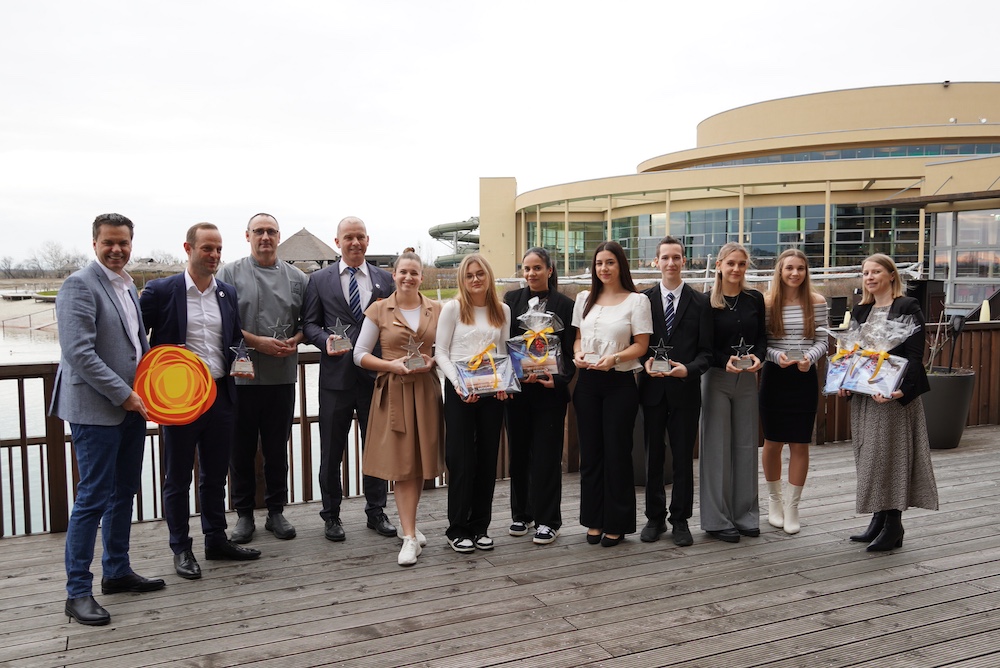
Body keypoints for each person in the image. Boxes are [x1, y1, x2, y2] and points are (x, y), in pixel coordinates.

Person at [50, 213, 163, 626]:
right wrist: (125, 395)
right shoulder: (79, 284)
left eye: (124, 243)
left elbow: (137, 345)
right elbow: (79, 354)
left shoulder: (128, 284)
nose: (117, 249)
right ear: (94, 243)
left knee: (124, 492)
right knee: (92, 498)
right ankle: (77, 591)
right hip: (97, 409)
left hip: (133, 406)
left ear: (131, 244)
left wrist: (152, 389)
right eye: (109, 243)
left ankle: (116, 571)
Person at [140, 223, 260, 580]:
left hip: (221, 395)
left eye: (219, 249)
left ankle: (215, 540)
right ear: (188, 248)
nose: (214, 256)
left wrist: (244, 357)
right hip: (178, 401)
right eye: (207, 248)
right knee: (178, 478)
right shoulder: (160, 291)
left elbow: (232, 337)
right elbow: (136, 343)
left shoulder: (227, 293)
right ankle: (181, 548)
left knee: (214, 475)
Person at [302, 217, 396, 542]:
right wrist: (324, 339)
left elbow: (394, 324)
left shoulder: (386, 279)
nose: (354, 242)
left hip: (375, 378)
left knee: (376, 448)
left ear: (367, 241)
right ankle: (331, 516)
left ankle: (376, 512)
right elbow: (310, 323)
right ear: (337, 241)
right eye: (348, 237)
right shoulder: (318, 280)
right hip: (335, 379)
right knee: (332, 452)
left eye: (360, 237)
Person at [217, 213, 308, 544]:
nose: (265, 237)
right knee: (239, 450)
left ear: (279, 236)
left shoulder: (298, 278)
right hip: (240, 378)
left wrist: (295, 341)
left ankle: (275, 511)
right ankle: (243, 514)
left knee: (276, 449)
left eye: (271, 231)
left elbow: (309, 322)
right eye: (259, 231)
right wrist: (258, 342)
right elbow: (222, 323)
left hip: (281, 376)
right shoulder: (228, 273)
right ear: (247, 236)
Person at [839, 253, 938, 551]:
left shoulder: (907, 306)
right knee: (869, 457)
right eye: (865, 273)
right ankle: (879, 520)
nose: (869, 277)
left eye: (876, 272)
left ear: (891, 275)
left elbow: (914, 355)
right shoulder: (861, 310)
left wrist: (901, 390)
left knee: (890, 458)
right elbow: (852, 353)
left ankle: (893, 524)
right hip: (865, 397)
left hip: (892, 398)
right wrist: (843, 381)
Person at [353, 249, 442, 565]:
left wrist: (434, 360)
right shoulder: (378, 309)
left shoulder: (437, 310)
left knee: (417, 463)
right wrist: (392, 366)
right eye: (403, 272)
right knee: (403, 465)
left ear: (421, 277)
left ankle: (411, 527)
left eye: (414, 273)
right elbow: (359, 354)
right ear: (394, 275)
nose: (408, 277)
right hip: (395, 391)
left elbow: (443, 351)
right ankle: (408, 538)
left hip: (426, 392)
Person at [572, 241, 652, 547]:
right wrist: (578, 355)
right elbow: (577, 339)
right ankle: (593, 519)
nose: (603, 268)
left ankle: (617, 523)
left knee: (617, 454)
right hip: (588, 383)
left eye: (610, 263)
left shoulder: (636, 301)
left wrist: (615, 359)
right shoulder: (584, 299)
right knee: (591, 455)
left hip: (619, 383)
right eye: (599, 263)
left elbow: (641, 346)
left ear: (621, 265)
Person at [637, 236, 713, 547]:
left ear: (684, 261)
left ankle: (680, 519)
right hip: (652, 390)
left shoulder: (701, 302)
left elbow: (707, 352)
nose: (671, 263)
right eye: (665, 257)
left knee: (683, 458)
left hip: (685, 389)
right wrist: (644, 362)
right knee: (654, 455)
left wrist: (688, 369)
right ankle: (654, 517)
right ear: (656, 262)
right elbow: (637, 343)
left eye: (676, 257)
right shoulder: (643, 300)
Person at [435, 253, 511, 553]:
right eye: (470, 276)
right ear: (462, 281)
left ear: (488, 276)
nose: (476, 279)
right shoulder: (453, 309)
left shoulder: (501, 310)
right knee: (462, 459)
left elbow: (503, 352)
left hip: (492, 394)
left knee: (487, 459)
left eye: (480, 274)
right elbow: (440, 352)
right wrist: (458, 384)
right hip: (460, 392)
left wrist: (505, 383)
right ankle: (458, 528)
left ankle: (481, 527)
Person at [503, 247, 576, 545]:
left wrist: (557, 378)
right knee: (519, 454)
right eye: (526, 268)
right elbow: (503, 344)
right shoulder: (511, 301)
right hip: (519, 391)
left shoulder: (565, 305)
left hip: (549, 393)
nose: (531, 273)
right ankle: (522, 514)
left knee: (547, 456)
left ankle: (549, 520)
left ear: (549, 270)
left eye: (537, 268)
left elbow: (571, 351)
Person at [700, 242, 766, 543]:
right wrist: (720, 360)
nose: (736, 269)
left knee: (745, 447)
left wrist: (758, 359)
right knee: (716, 450)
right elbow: (703, 347)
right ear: (719, 266)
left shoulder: (755, 299)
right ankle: (717, 520)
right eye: (731, 264)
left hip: (747, 379)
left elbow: (763, 340)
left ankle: (745, 515)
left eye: (741, 264)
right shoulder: (706, 302)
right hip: (716, 378)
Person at [759, 249, 828, 535]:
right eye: (789, 268)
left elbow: (824, 338)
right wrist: (777, 358)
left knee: (800, 444)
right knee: (773, 442)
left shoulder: (817, 301)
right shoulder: (766, 302)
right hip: (775, 376)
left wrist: (810, 358)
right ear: (780, 271)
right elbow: (760, 343)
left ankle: (792, 506)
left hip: (803, 378)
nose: (795, 273)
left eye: (800, 268)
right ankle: (774, 503)